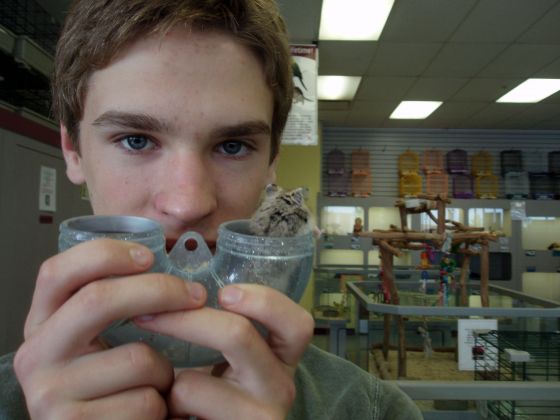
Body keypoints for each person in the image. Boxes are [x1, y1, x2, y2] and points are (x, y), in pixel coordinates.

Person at [0, 1, 422, 418]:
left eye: (232, 146)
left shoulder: (373, 411)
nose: (188, 204)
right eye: (136, 140)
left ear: (272, 161)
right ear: (72, 150)